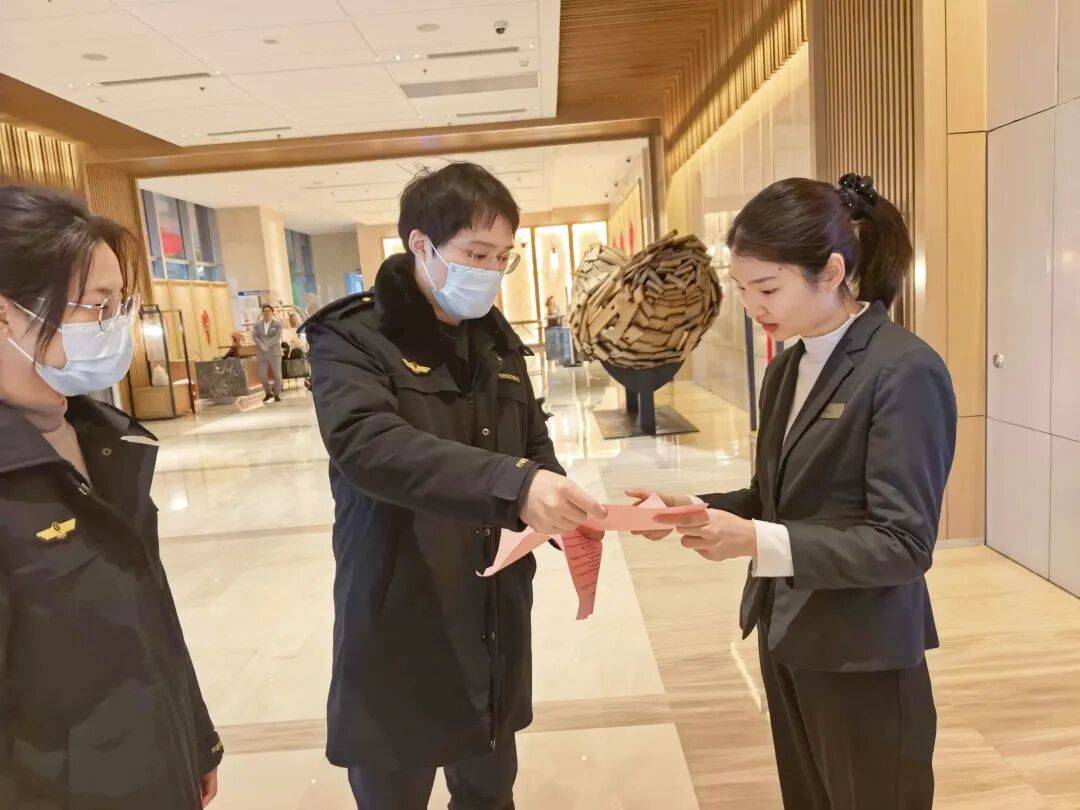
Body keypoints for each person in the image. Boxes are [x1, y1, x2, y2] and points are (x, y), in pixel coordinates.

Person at [631, 174, 957, 810]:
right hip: (788, 635)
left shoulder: (903, 369)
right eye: (742, 288)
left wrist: (755, 540)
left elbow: (903, 543)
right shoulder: (788, 366)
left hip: (863, 655)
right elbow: (773, 495)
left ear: (831, 271)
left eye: (767, 288)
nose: (752, 305)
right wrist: (695, 510)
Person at [303, 162, 605, 810]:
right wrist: (514, 485)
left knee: (489, 794)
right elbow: (367, 445)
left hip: (491, 613)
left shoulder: (497, 341)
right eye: (475, 253)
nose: (490, 271)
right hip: (400, 608)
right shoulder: (352, 338)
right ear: (421, 244)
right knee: (394, 794)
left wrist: (568, 504)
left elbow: (531, 446)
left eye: (502, 257)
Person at [0, 184, 222, 808]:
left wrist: (194, 738)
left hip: (156, 764)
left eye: (118, 305)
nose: (114, 326)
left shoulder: (103, 441)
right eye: (96, 306)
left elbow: (149, 614)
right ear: (6, 315)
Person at [252, 304, 282, 402]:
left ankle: (277, 393)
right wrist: (261, 345)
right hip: (262, 354)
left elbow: (277, 337)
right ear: (262, 313)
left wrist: (266, 344)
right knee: (262, 375)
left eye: (269, 310)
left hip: (275, 353)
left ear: (272, 312)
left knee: (277, 375)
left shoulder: (277, 324)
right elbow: (254, 336)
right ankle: (268, 393)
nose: (267, 312)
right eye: (265, 310)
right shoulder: (257, 325)